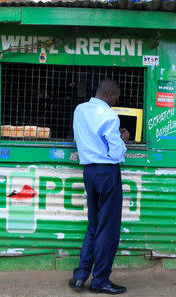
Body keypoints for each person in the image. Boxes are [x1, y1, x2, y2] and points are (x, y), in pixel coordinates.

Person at [69, 79, 129, 295]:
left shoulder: (80, 109)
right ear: (111, 95)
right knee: (108, 229)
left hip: (89, 172)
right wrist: (123, 140)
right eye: (116, 99)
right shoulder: (109, 115)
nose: (114, 103)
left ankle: (80, 276)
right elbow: (116, 153)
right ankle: (100, 280)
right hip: (107, 173)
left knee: (94, 224)